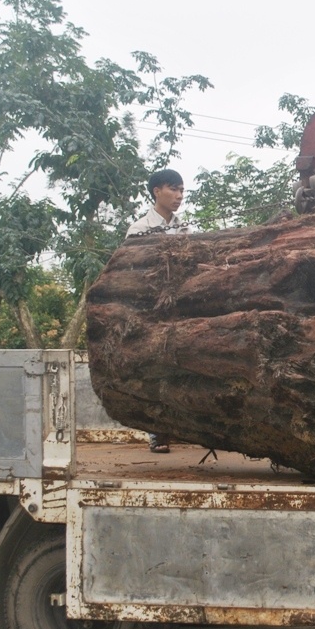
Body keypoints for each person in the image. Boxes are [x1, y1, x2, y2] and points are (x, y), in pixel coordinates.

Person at [126, 169, 189, 453]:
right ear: (156, 191)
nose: (178, 196)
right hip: (150, 311)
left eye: (182, 191)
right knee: (155, 368)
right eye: (173, 189)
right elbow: (131, 274)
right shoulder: (139, 230)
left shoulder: (186, 230)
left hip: (182, 307)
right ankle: (157, 431)